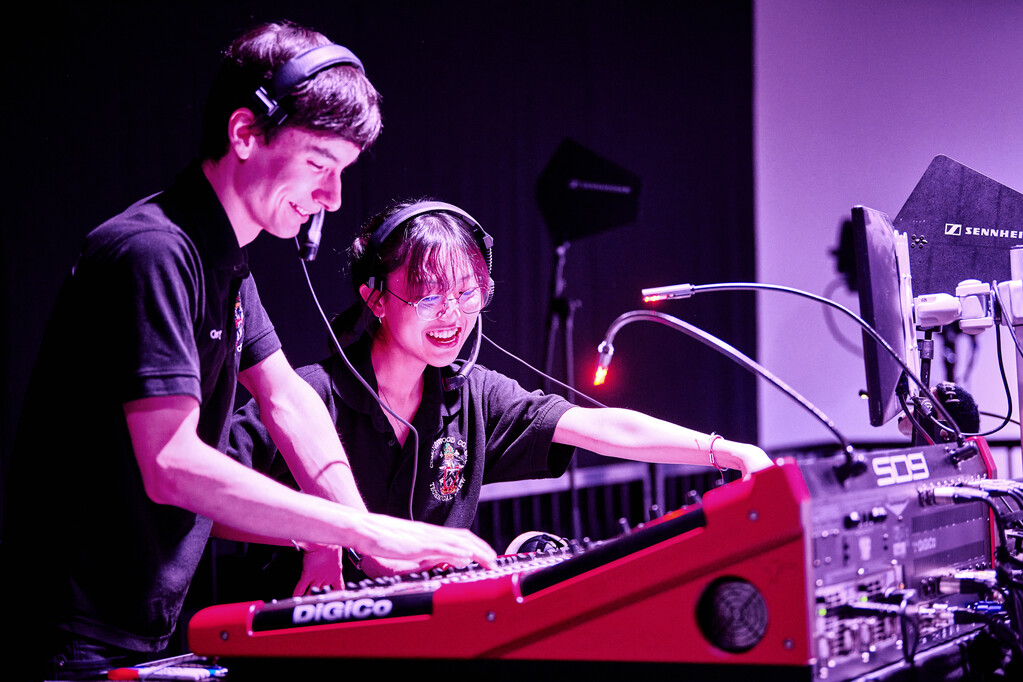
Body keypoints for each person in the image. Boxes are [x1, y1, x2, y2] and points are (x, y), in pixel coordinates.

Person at [1, 23, 495, 681]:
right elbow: (171, 462)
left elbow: (287, 397)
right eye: (320, 165)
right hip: (71, 636)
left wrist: (358, 533)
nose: (333, 198)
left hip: (131, 628)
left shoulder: (223, 262)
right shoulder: (154, 251)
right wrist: (368, 534)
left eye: (342, 172)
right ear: (244, 134)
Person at [228, 198, 775, 583]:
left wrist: (725, 450)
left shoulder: (474, 395)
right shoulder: (307, 397)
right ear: (375, 300)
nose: (452, 316)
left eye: (467, 294)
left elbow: (602, 427)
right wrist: (318, 538)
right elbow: (210, 501)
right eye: (429, 297)